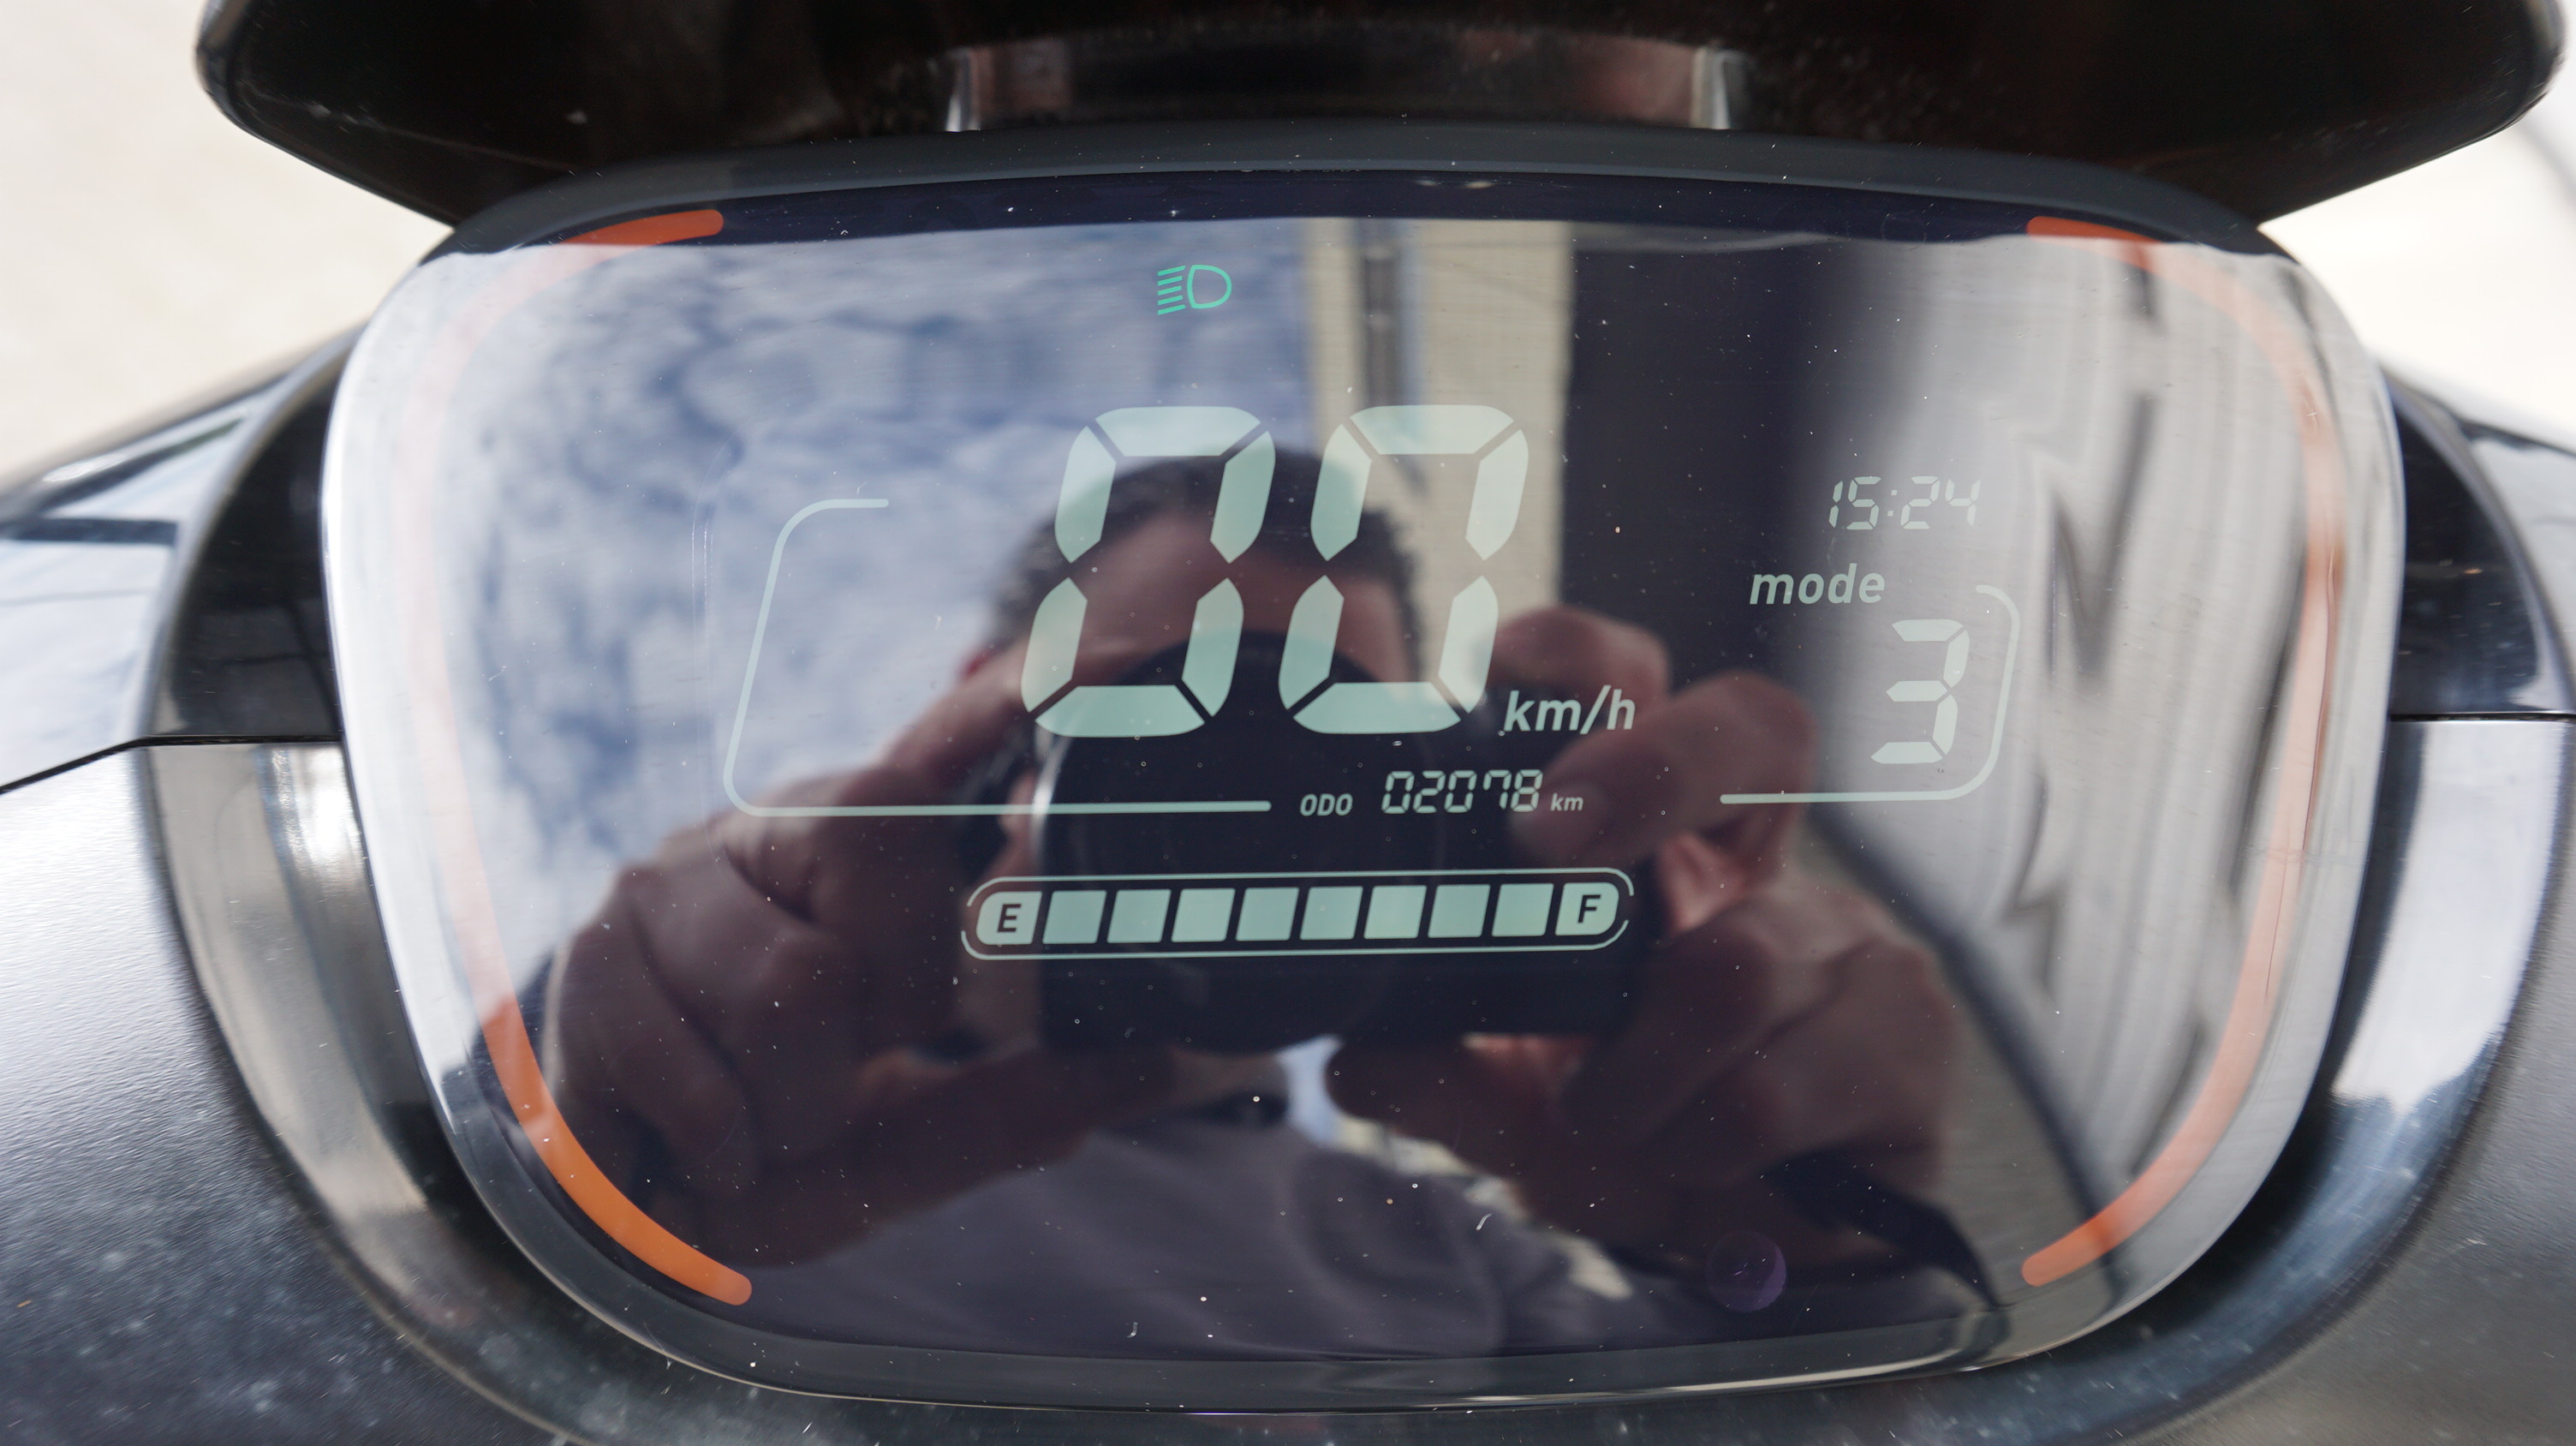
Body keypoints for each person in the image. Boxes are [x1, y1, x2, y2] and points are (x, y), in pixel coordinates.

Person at [537, 453, 1959, 1357]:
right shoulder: (694, 1140)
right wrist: (564, 1160)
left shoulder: (1440, 1249)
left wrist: (1805, 1246)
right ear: (990, 714)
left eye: (1336, 752)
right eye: (1178, 712)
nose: (1260, 819)